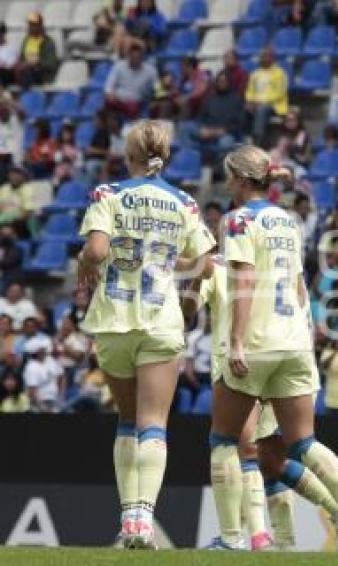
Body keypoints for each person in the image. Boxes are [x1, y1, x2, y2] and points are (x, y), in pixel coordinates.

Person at [204, 144, 338, 551]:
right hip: (295, 342)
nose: (227, 183)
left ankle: (232, 538)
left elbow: (244, 281)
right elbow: (301, 290)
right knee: (303, 442)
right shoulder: (288, 221)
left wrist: (235, 341)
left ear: (243, 179)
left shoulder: (237, 221)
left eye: (230, 176)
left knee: (225, 440)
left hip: (258, 341)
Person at [76, 120, 216, 548]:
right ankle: (143, 522)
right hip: (161, 319)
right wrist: (189, 297)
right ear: (165, 156)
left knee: (127, 418)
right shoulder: (186, 203)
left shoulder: (108, 194)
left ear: (128, 154)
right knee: (155, 423)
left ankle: (126, 522)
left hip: (114, 318)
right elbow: (207, 265)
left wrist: (86, 261)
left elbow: (97, 250)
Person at [180, 251, 338, 552]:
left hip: (260, 363)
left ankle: (255, 537)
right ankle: (286, 541)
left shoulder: (272, 265)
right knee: (271, 460)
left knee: (251, 450)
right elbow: (188, 311)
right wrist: (197, 275)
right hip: (274, 361)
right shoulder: (232, 266)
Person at [179, 72, 243, 163]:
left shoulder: (236, 100)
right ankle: (189, 161)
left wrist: (223, 131)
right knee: (186, 128)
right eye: (220, 81)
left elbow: (240, 123)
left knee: (225, 143)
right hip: (207, 130)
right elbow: (200, 117)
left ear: (229, 82)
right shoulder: (210, 98)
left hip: (225, 133)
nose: (222, 83)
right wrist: (202, 129)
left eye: (224, 81)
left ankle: (218, 171)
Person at [245, 48, 289, 146]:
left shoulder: (280, 73)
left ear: (272, 58)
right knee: (244, 108)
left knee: (262, 109)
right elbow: (250, 90)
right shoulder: (255, 74)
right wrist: (249, 102)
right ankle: (245, 137)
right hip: (256, 103)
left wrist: (260, 101)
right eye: (262, 56)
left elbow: (280, 93)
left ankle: (257, 140)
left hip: (275, 105)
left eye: (266, 56)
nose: (263, 58)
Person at [104, 43, 158, 119]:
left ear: (142, 57)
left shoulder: (151, 71)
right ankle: (112, 128)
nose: (135, 59)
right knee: (108, 103)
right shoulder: (118, 66)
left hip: (136, 101)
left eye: (138, 57)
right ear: (129, 56)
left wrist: (155, 100)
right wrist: (109, 94)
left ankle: (131, 127)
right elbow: (109, 86)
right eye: (133, 57)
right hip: (118, 99)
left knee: (133, 108)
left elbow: (157, 88)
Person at [14, 12, 58, 88]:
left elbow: (51, 63)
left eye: (34, 25)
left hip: (41, 73)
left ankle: (26, 98)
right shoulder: (26, 40)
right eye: (30, 24)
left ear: (40, 25)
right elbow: (21, 58)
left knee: (27, 74)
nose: (31, 27)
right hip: (25, 71)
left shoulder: (48, 41)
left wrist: (35, 63)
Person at [23, 335, 64, 413]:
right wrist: (43, 408)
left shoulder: (51, 360)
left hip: (56, 399)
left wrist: (61, 397)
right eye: (42, 349)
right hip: (42, 402)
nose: (45, 350)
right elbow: (32, 392)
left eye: (44, 348)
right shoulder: (31, 367)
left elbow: (62, 377)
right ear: (37, 352)